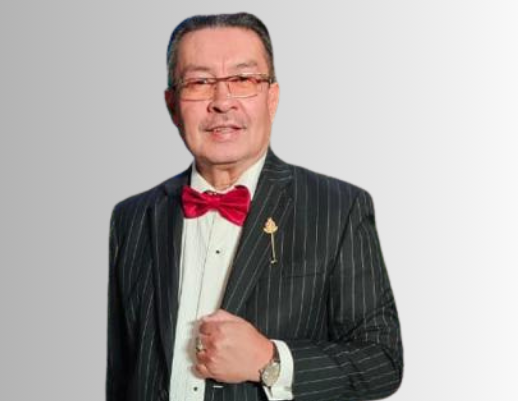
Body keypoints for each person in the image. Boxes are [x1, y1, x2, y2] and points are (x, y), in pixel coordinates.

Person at [107, 12, 403, 401]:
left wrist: (270, 360)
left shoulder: (339, 208)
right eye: (199, 82)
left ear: (271, 98)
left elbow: (382, 362)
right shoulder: (131, 218)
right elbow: (121, 376)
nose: (222, 102)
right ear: (172, 105)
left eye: (243, 79)